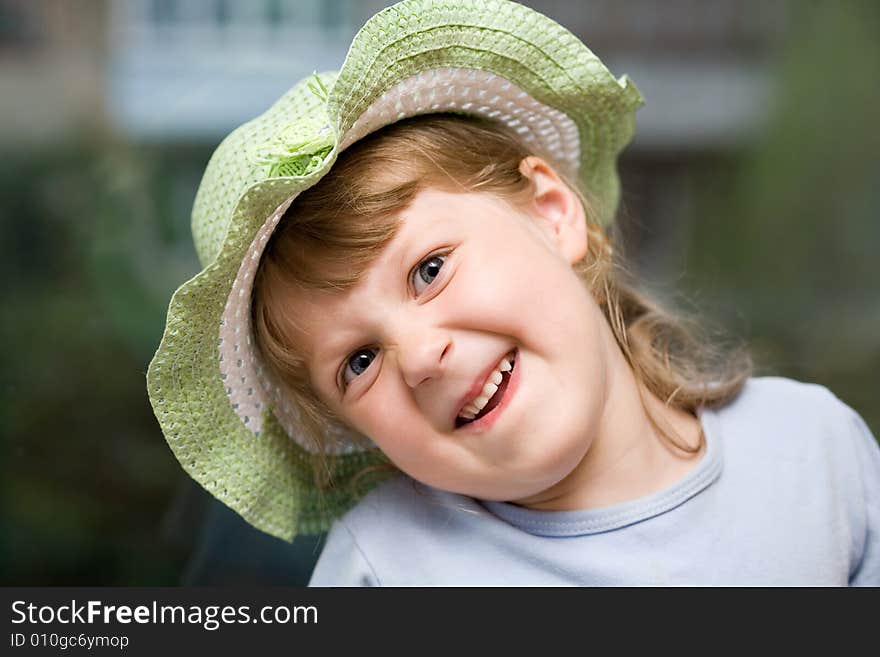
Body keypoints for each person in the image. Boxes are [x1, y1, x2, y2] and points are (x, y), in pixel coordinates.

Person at [147, 0, 880, 586]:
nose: (422, 356)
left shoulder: (815, 451)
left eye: (429, 269)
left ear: (553, 214)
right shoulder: (386, 572)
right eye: (359, 361)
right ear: (351, 430)